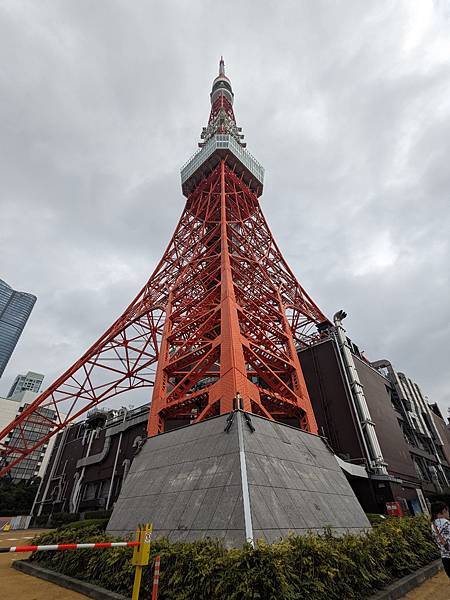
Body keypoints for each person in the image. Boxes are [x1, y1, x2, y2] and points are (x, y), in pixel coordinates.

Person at [430, 501, 450, 578]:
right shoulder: (447, 523)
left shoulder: (433, 525)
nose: (448, 513)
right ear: (443, 511)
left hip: (445, 559)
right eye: (447, 510)